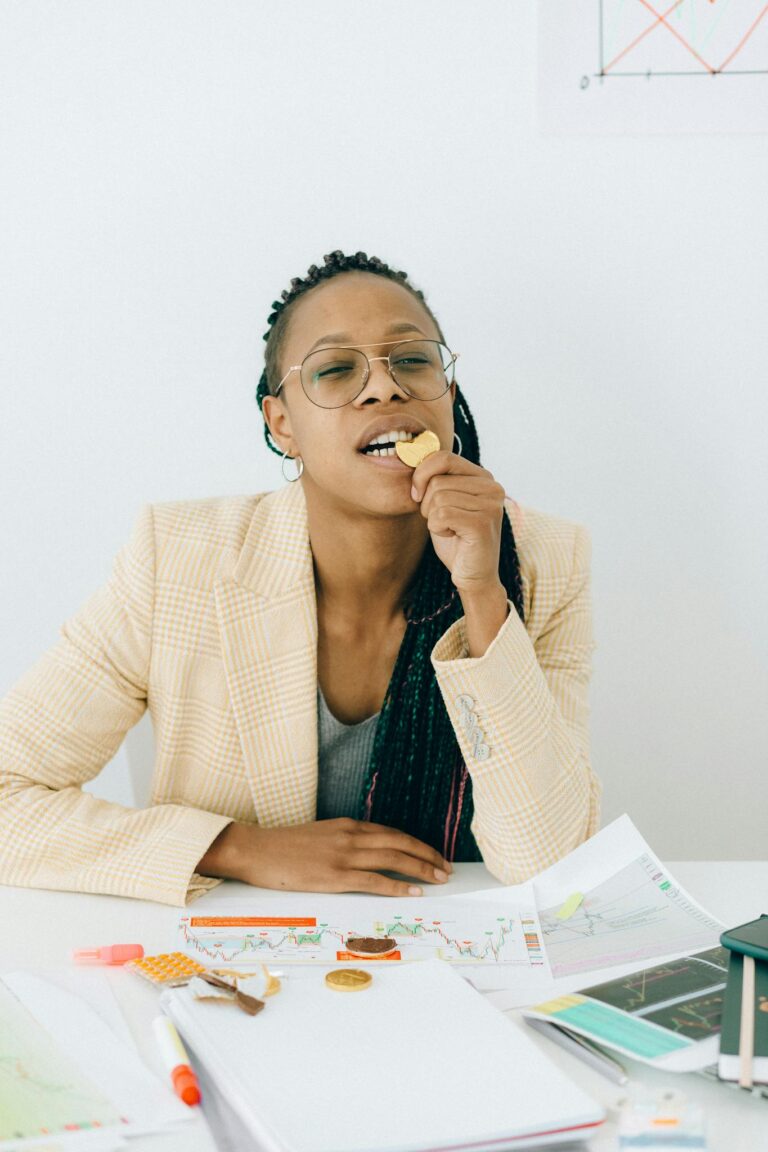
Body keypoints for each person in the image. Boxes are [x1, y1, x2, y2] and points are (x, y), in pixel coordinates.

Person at [0, 250, 600, 906]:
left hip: (452, 952)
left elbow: (550, 860)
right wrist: (241, 848)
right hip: (247, 970)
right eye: (337, 369)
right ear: (282, 425)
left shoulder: (544, 561)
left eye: (413, 360)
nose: (385, 387)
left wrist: (482, 595)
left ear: (448, 397)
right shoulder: (175, 560)